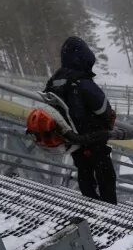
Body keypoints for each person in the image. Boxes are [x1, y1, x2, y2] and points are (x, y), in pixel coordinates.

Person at [45, 36, 117, 204]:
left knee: (84, 170)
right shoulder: (81, 82)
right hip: (92, 135)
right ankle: (109, 207)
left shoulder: (54, 80)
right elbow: (102, 108)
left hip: (71, 136)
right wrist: (108, 117)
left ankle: (90, 202)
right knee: (105, 173)